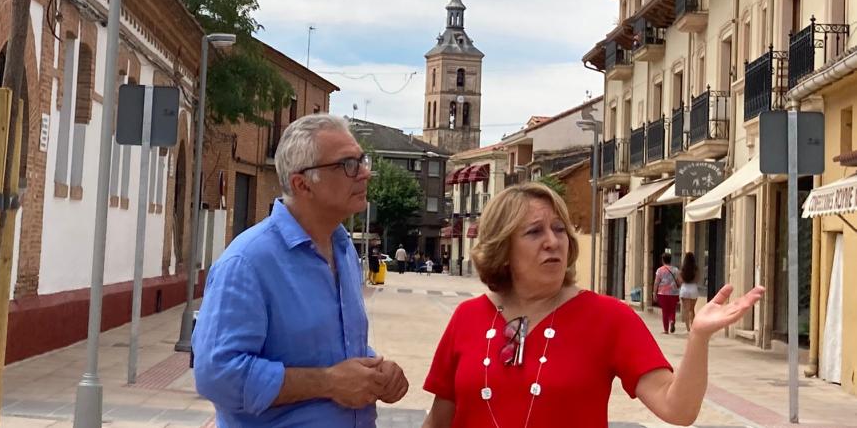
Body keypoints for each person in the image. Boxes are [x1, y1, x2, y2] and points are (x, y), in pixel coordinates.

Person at [420, 183, 764, 428]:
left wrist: (698, 338)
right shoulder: (468, 317)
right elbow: (439, 419)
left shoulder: (609, 318)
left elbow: (678, 409)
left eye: (559, 229)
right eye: (534, 232)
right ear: (502, 248)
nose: (553, 241)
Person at [193, 114, 409, 426]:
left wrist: (375, 372)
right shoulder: (248, 262)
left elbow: (330, 349)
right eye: (347, 164)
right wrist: (329, 382)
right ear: (302, 183)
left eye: (362, 160)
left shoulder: (343, 248)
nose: (364, 173)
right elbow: (216, 375)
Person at [653, 252, 681, 334]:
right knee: (672, 309)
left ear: (662, 260)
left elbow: (656, 282)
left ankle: (666, 329)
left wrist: (654, 293)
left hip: (663, 293)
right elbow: (679, 281)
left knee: (665, 311)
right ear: (670, 260)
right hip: (674, 293)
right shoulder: (675, 270)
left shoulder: (659, 270)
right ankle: (672, 320)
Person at [679, 252, 700, 333]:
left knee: (686, 310)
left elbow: (680, 280)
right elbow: (697, 279)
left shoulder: (683, 268)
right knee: (692, 309)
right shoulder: (696, 268)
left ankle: (688, 328)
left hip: (685, 288)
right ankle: (693, 327)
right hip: (693, 288)